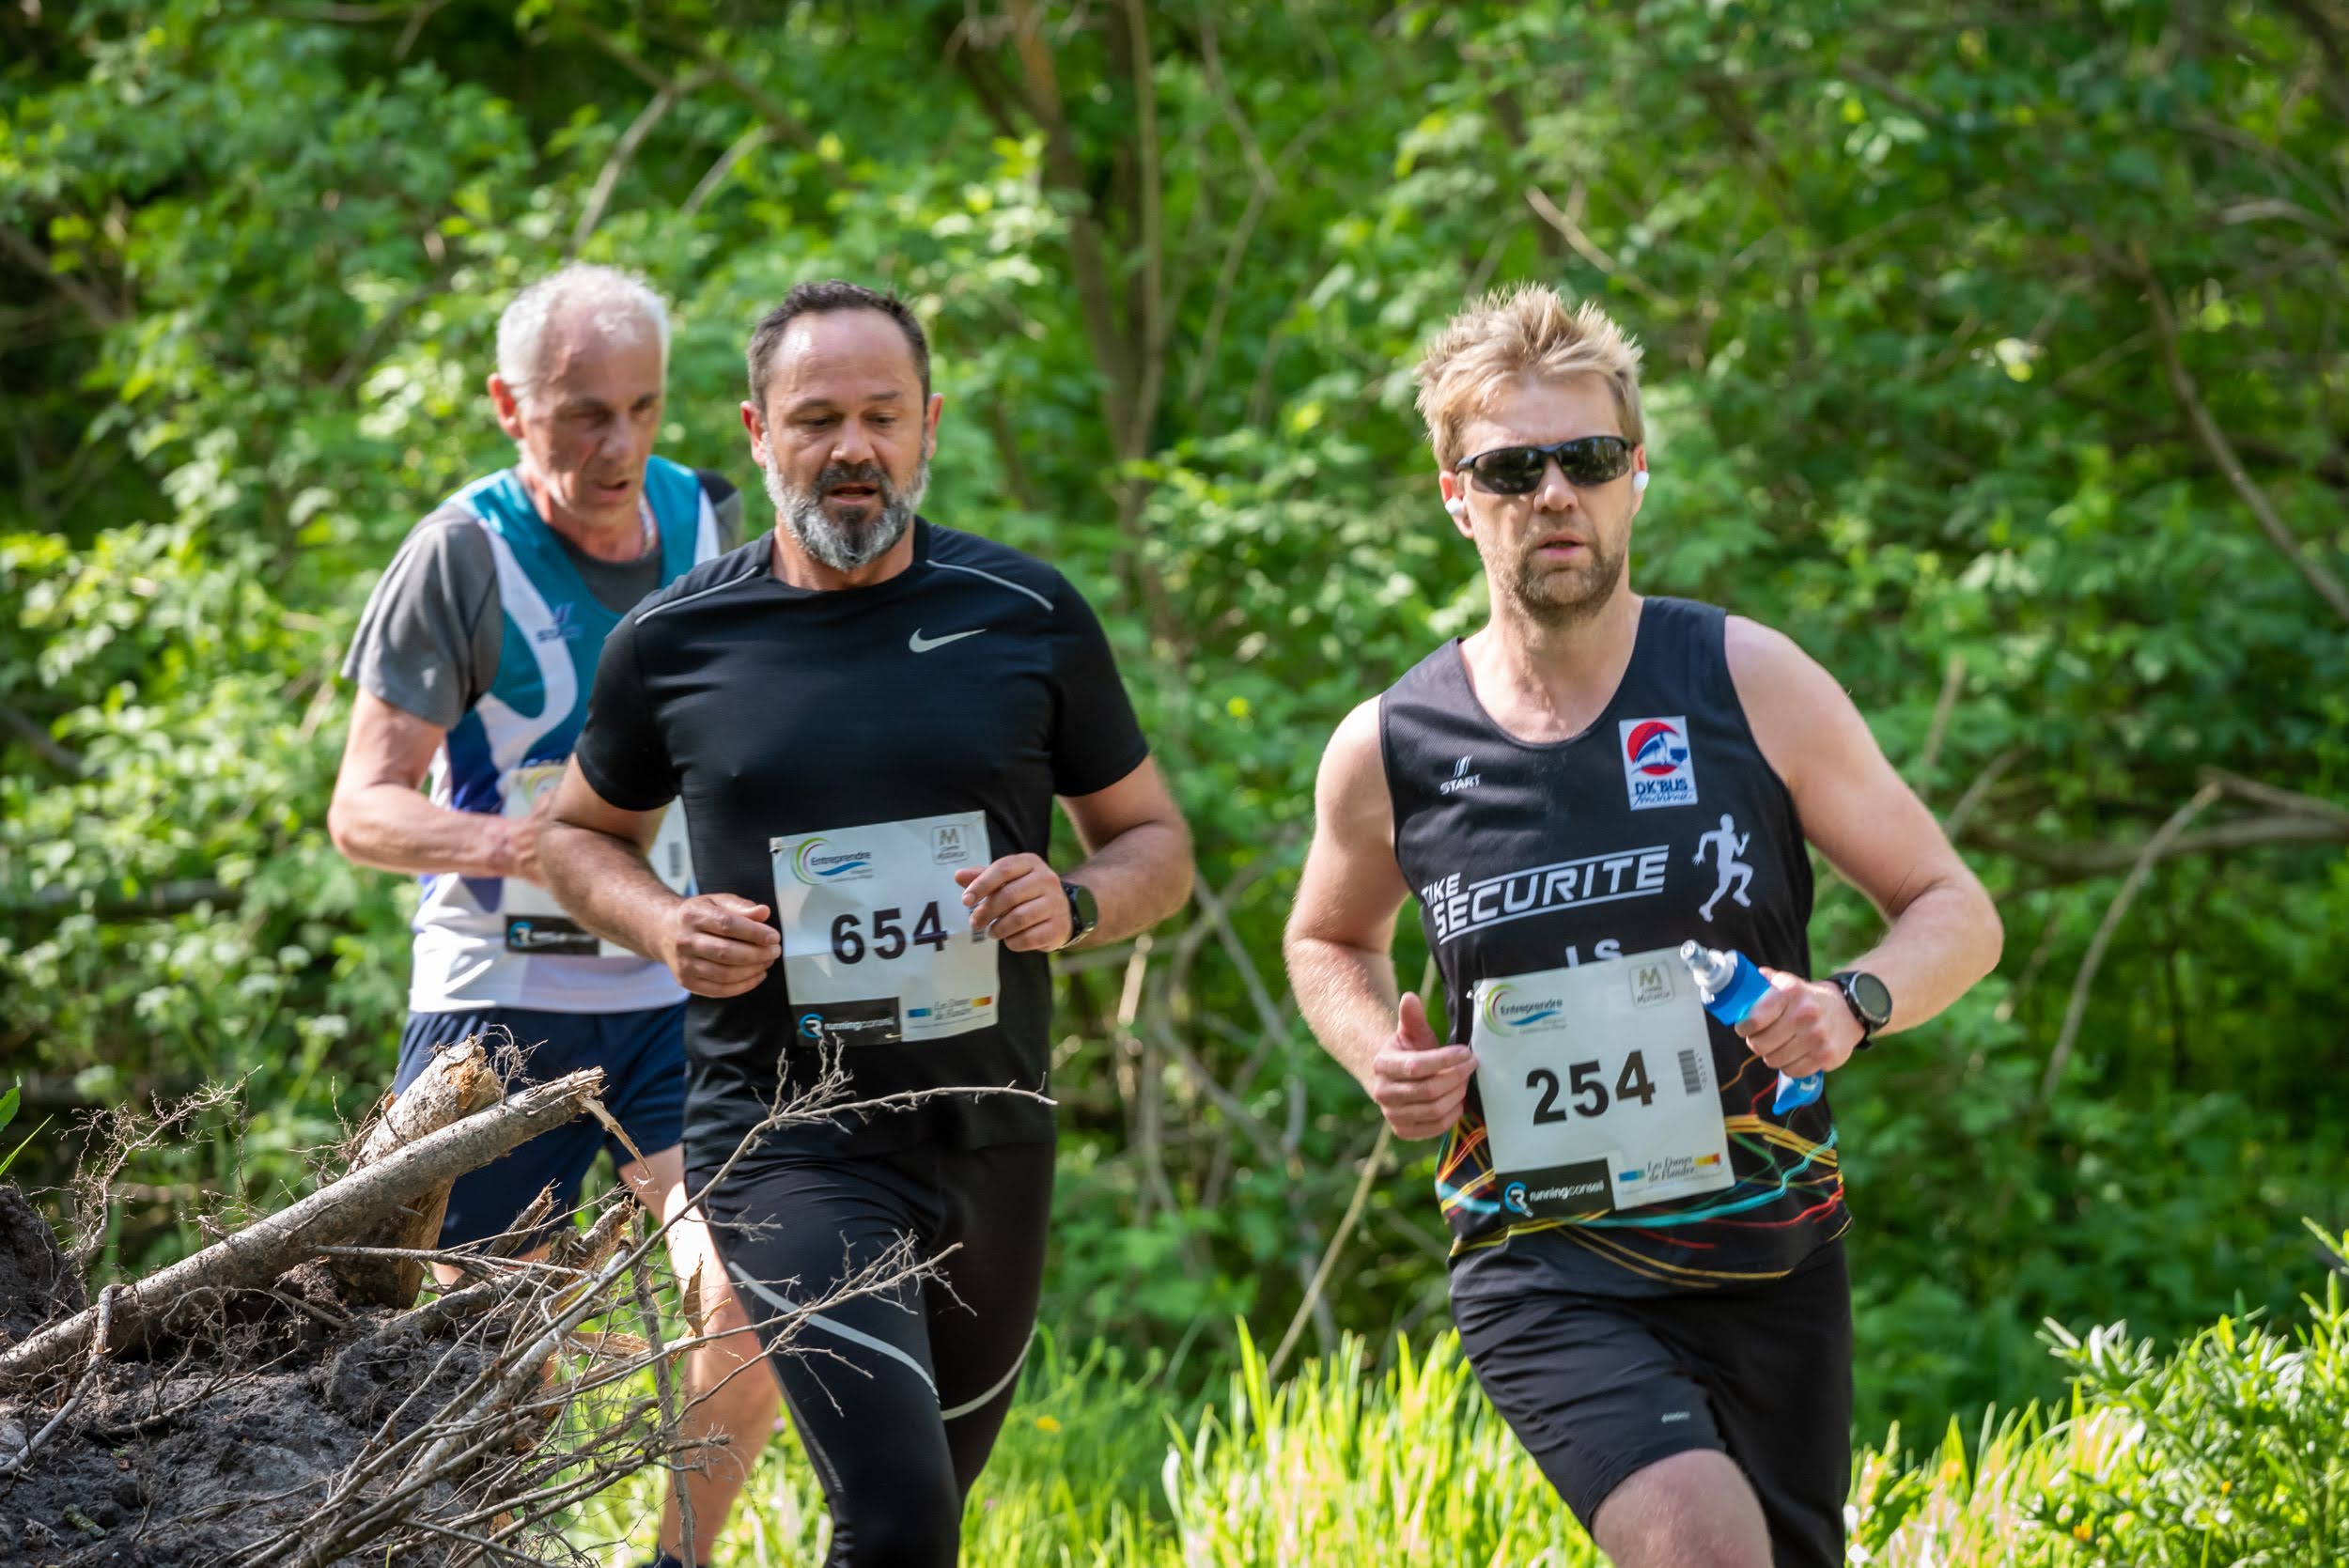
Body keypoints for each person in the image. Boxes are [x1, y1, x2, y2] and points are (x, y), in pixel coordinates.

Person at [1282, 285, 2002, 1568]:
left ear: (1636, 475)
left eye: (1589, 459)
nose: (1554, 493)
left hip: (1770, 1243)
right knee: (1703, 1549)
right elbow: (1327, 938)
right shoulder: (1391, 744)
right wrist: (1378, 1053)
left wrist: (1852, 1004)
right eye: (1512, 468)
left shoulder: (1746, 679)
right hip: (1542, 1256)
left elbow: (1955, 908)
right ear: (1457, 496)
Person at [536, 279, 1194, 1567]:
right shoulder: (676, 637)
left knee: (926, 1517)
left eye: (882, 416)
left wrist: (1073, 901)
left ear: (928, 425)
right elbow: (574, 836)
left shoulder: (1026, 613)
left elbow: (1155, 843)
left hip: (990, 1128)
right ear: (757, 432)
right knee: (895, 1514)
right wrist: (665, 924)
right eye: (817, 418)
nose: (853, 448)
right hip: (784, 1136)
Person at [327, 262, 779, 1568]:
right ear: (509, 407)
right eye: (584, 415)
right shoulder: (459, 555)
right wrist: (536, 845)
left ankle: (677, 1561)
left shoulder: (710, 519)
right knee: (482, 1352)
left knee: (750, 1292)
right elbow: (362, 810)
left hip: (674, 990)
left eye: (643, 408)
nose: (618, 447)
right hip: (497, 1003)